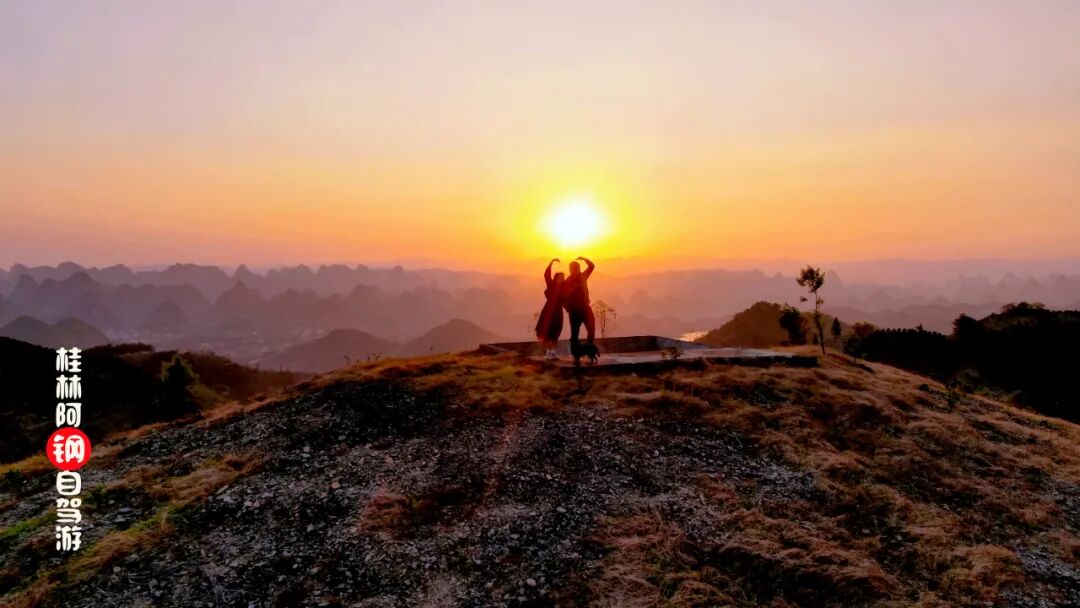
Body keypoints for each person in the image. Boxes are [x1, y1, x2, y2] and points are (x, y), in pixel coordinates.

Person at [562, 256, 596, 360]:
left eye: (575, 268)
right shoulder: (567, 281)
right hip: (574, 311)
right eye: (572, 268)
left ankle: (590, 349)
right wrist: (567, 308)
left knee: (591, 329)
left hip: (585, 308)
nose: (573, 270)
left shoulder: (583, 276)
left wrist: (585, 258)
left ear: (578, 269)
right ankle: (576, 353)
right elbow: (562, 296)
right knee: (574, 334)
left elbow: (592, 266)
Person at [534, 258, 565, 359]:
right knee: (547, 331)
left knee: (556, 331)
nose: (561, 279)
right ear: (556, 278)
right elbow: (546, 275)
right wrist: (551, 263)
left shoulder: (564, 287)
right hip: (549, 311)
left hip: (558, 312)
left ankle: (552, 351)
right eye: (560, 277)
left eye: (562, 277)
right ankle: (548, 351)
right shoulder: (551, 285)